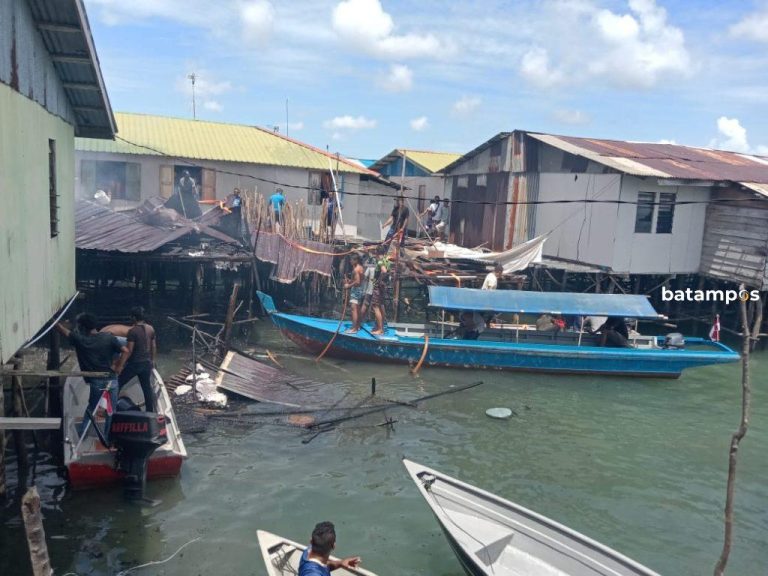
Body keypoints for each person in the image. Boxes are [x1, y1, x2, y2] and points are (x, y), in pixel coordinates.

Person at [56, 314, 127, 438]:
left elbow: (63, 331)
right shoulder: (108, 337)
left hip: (96, 380)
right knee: (111, 410)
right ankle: (108, 436)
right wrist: (119, 367)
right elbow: (125, 350)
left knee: (92, 408)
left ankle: (82, 434)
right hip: (112, 379)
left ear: (83, 327)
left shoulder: (82, 340)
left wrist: (53, 322)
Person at [115, 306, 157, 412]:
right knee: (146, 387)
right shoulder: (150, 328)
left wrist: (119, 366)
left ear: (133, 317)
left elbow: (128, 351)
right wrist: (152, 360)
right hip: (146, 363)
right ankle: (150, 411)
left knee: (118, 383)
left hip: (135, 364)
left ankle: (112, 409)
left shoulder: (132, 331)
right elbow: (153, 346)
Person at [370, 248, 392, 335]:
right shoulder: (387, 261)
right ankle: (381, 327)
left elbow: (384, 271)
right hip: (383, 287)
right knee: (381, 305)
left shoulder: (380, 262)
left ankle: (380, 329)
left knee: (375, 306)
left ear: (377, 253)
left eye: (375, 254)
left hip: (378, 288)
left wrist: (379, 281)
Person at [343, 253, 364, 333]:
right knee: (357, 309)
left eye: (351, 260)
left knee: (353, 309)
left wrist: (348, 286)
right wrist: (350, 281)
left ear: (356, 260)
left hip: (356, 291)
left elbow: (357, 282)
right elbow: (358, 280)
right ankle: (357, 326)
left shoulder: (356, 270)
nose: (350, 261)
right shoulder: (361, 268)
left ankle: (354, 329)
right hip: (361, 289)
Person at [359, 254, 377, 325]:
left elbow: (365, 276)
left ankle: (359, 322)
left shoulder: (370, 268)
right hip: (377, 289)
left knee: (365, 304)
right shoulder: (378, 267)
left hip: (370, 289)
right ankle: (377, 323)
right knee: (377, 306)